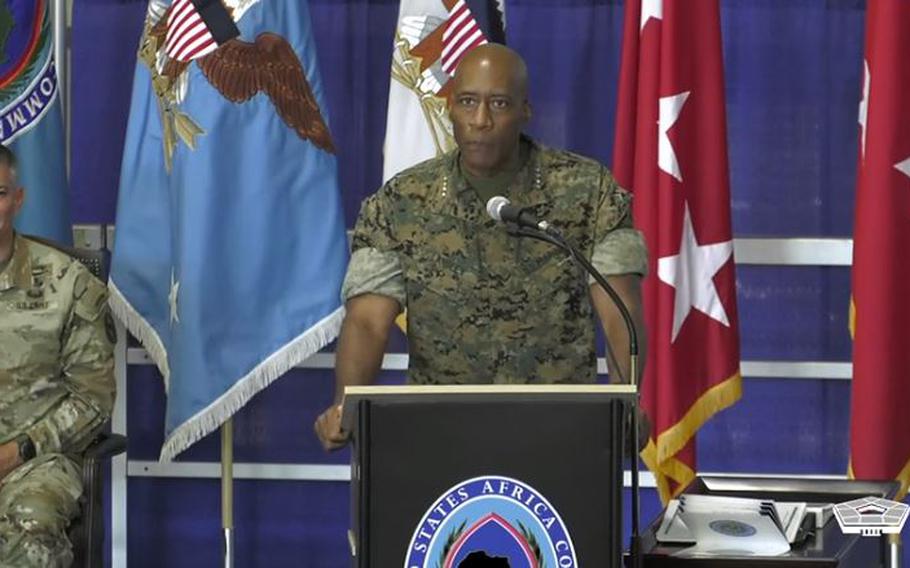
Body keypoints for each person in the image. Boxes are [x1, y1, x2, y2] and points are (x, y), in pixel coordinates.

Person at [315, 44, 647, 451]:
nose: (481, 120)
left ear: (526, 110)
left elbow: (620, 307)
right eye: (468, 102)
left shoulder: (587, 190)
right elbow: (368, 321)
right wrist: (344, 407)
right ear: (449, 107)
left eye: (499, 104)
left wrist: (623, 399)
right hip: (440, 434)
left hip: (559, 432)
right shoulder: (400, 201)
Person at [0, 144, 116, 566]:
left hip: (37, 462)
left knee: (30, 519)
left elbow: (93, 401)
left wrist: (19, 452)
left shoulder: (68, 283)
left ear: (18, 199)